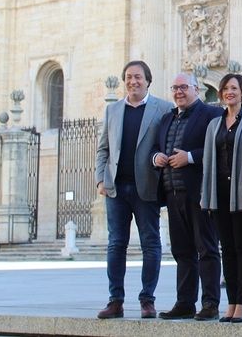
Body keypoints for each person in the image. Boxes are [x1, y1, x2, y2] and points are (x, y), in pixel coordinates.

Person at [95, 60, 173, 320]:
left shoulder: (163, 108)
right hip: (116, 188)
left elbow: (168, 143)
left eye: (138, 77)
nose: (133, 81)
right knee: (116, 244)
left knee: (151, 243)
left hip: (146, 187)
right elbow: (103, 148)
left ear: (148, 81)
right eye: (128, 77)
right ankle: (115, 300)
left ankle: (147, 299)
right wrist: (99, 180)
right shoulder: (113, 110)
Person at [152, 72, 222, 320]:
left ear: (197, 89)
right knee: (182, 251)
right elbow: (156, 148)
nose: (179, 92)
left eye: (183, 87)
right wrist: (156, 158)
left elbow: (221, 147)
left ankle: (210, 303)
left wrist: (190, 157)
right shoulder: (167, 119)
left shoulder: (212, 115)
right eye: (175, 88)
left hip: (199, 193)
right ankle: (185, 302)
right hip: (172, 193)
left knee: (207, 248)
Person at [200, 73, 242, 323]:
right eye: (225, 88)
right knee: (227, 249)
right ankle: (231, 301)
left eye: (234, 88)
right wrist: (207, 195)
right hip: (220, 194)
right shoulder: (214, 124)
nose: (228, 92)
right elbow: (207, 161)